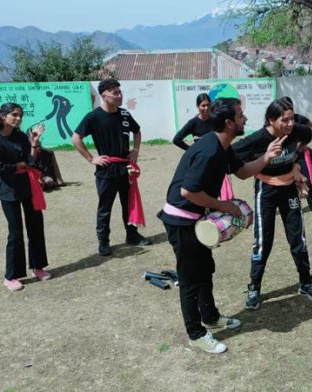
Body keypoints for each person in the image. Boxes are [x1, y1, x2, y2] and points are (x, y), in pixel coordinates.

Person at [158, 97, 284, 354]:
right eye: (240, 116)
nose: (245, 119)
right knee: (191, 278)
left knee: (205, 269)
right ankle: (196, 333)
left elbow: (242, 171)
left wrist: (267, 157)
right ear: (229, 123)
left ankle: (211, 317)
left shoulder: (222, 145)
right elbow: (188, 191)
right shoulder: (208, 150)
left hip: (195, 218)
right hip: (181, 221)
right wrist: (223, 206)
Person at [233, 98, 312, 310]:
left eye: (292, 119)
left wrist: (296, 159)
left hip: (289, 188)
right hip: (266, 191)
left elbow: (308, 135)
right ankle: (254, 287)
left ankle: (306, 282)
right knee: (264, 242)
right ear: (271, 120)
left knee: (297, 238)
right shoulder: (258, 139)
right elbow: (233, 155)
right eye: (285, 120)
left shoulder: (295, 130)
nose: (290, 124)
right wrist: (263, 159)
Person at [72, 79, 151, 256]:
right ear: (104, 95)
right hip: (106, 171)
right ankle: (103, 242)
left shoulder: (124, 114)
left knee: (128, 205)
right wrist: (92, 158)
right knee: (105, 208)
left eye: (119, 92)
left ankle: (132, 235)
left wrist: (135, 150)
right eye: (115, 92)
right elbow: (76, 138)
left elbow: (137, 131)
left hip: (125, 168)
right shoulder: (93, 117)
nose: (119, 95)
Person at [0, 103, 51, 291]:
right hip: (8, 189)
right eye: (14, 115)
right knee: (15, 232)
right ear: (3, 116)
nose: (19, 118)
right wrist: (18, 167)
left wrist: (34, 143)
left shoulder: (21, 136)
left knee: (36, 226)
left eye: (21, 115)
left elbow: (30, 161)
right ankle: (11, 276)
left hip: (28, 186)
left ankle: (38, 267)